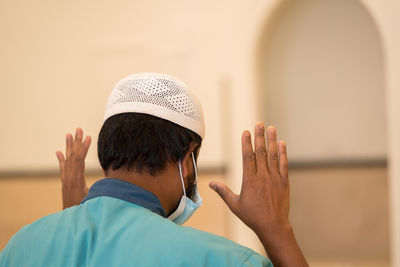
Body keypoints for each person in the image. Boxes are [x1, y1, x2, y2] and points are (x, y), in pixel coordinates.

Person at [0, 73, 308, 266]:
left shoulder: (20, 246)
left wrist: (71, 220)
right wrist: (278, 232)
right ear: (186, 162)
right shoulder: (224, 260)